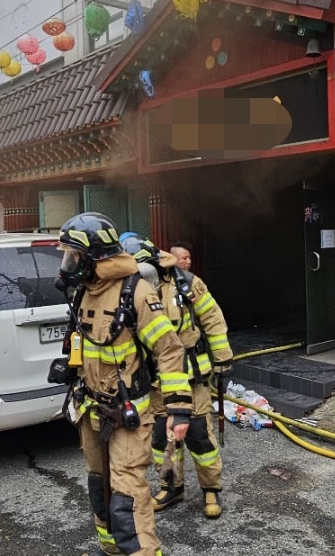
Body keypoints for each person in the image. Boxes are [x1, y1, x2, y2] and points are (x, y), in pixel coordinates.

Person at [58, 213, 192, 556]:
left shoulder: (135, 292)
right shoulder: (83, 293)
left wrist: (178, 409)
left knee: (127, 498)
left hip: (128, 416)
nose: (67, 263)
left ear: (94, 256)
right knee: (98, 488)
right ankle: (111, 549)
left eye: (72, 255)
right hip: (90, 410)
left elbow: (170, 350)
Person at [123, 235, 233, 519]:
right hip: (156, 378)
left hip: (190, 375)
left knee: (198, 434)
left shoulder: (187, 283)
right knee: (161, 435)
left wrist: (222, 359)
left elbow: (213, 318)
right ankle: (171, 485)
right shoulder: (132, 287)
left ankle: (211, 489)